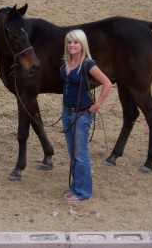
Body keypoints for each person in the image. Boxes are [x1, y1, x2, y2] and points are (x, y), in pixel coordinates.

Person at [60, 29, 112, 203]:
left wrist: (97, 105)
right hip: (67, 113)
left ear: (82, 45)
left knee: (80, 154)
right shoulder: (65, 63)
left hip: (81, 115)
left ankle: (83, 192)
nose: (72, 45)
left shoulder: (88, 64)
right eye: (69, 42)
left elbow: (107, 83)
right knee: (73, 152)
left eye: (76, 42)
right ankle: (76, 187)